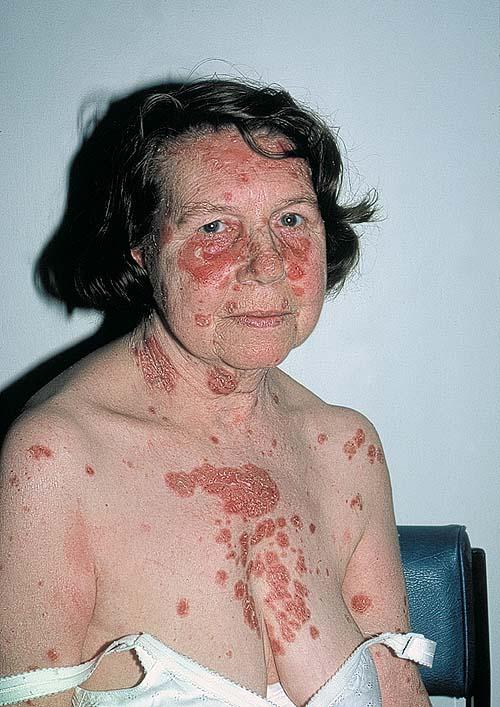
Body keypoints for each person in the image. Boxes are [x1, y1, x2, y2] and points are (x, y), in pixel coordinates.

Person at [0, 79, 435, 706]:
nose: (267, 263)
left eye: (291, 219)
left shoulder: (346, 449)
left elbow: (398, 691)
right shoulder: (59, 459)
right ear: (142, 246)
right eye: (214, 227)